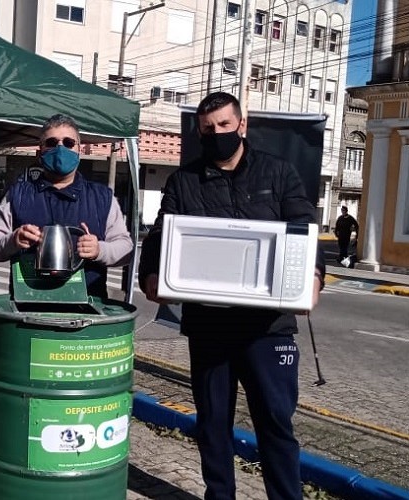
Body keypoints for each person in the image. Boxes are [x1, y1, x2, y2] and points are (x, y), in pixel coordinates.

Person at [138, 92, 324, 500]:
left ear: (243, 125)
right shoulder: (183, 181)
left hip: (268, 329)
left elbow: (303, 229)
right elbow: (159, 235)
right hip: (210, 328)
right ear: (199, 131)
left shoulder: (279, 174)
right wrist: (150, 273)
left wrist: (313, 275)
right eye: (208, 129)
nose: (217, 133)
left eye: (224, 125)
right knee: (212, 423)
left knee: (275, 424)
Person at [0, 114, 133, 298]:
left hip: (86, 310)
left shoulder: (102, 197)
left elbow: (126, 249)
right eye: (52, 142)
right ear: (40, 152)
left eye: (68, 143)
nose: (60, 148)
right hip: (28, 307)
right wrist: (13, 240)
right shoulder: (17, 194)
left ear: (79, 150)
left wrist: (99, 250)